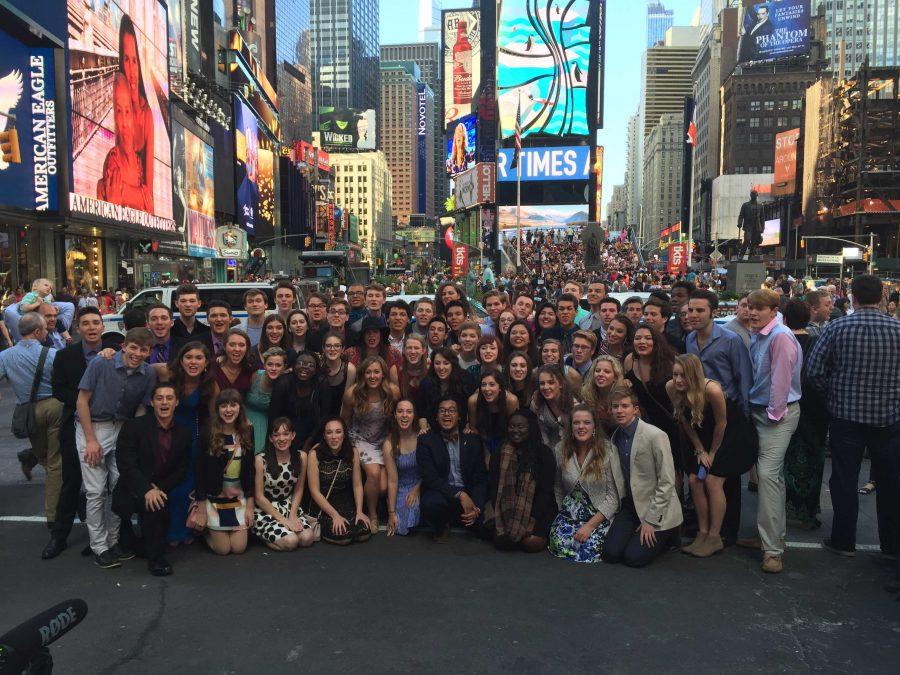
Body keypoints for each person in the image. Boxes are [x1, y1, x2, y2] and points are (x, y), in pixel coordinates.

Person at [806, 275, 900, 579]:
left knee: (844, 479)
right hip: (889, 419)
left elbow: (814, 371)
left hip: (846, 417)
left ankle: (843, 540)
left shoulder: (837, 327)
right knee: (890, 483)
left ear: (852, 297)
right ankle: (891, 547)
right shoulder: (897, 329)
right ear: (883, 296)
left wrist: (834, 396)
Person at [76, 327, 157, 568]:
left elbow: (142, 409)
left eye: (143, 349)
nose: (137, 353)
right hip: (94, 425)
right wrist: (90, 440)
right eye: (133, 347)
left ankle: (113, 541)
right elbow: (82, 401)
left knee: (120, 487)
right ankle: (99, 546)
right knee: (95, 490)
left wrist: (134, 438)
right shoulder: (102, 364)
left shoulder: (148, 374)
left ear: (149, 352)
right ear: (124, 346)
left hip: (123, 427)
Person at [742, 288, 802, 574]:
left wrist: (773, 415)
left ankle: (773, 551)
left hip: (775, 414)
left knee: (767, 476)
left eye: (759, 308)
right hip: (759, 411)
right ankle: (771, 538)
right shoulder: (760, 333)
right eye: (751, 307)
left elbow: (781, 380)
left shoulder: (780, 336)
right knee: (770, 479)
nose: (753, 312)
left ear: (774, 310)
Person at [44, 308, 111, 559]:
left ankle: (104, 537)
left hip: (109, 426)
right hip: (75, 424)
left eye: (96, 322)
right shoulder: (65, 356)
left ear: (103, 326)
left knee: (108, 485)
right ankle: (59, 537)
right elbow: (59, 390)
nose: (91, 327)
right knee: (71, 481)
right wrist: (87, 403)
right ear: (78, 328)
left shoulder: (114, 351)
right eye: (86, 323)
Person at [667, 355, 749, 557]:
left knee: (712, 481)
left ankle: (714, 537)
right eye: (675, 374)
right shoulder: (671, 388)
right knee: (695, 480)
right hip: (701, 434)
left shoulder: (712, 390)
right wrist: (699, 449)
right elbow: (684, 421)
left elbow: (722, 424)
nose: (678, 380)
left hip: (730, 435)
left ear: (694, 376)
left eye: (683, 376)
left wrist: (712, 453)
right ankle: (702, 533)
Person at [0, 313, 64, 556]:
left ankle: (33, 459)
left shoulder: (6, 356)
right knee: (55, 463)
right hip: (54, 407)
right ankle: (54, 514)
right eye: (44, 329)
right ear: (38, 332)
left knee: (46, 456)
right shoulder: (52, 354)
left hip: (28, 412)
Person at [112, 383, 190, 576]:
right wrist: (146, 488)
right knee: (145, 509)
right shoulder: (133, 427)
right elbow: (125, 463)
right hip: (133, 488)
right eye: (159, 398)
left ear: (177, 402)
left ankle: (154, 556)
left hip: (160, 488)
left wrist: (158, 488)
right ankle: (146, 551)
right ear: (151, 402)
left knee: (156, 506)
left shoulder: (184, 433)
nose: (164, 402)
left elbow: (181, 469)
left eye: (169, 398)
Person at [602, 385, 683, 567]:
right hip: (631, 506)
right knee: (610, 554)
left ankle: (670, 534)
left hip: (655, 507)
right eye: (615, 407)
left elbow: (667, 482)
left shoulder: (656, 436)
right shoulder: (616, 437)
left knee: (634, 558)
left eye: (625, 406)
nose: (619, 411)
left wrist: (651, 520)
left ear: (635, 409)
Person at [549, 404, 622, 562]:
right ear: (571, 427)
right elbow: (557, 486)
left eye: (587, 422)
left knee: (589, 551)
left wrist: (590, 526)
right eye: (576, 423)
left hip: (598, 514)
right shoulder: (560, 449)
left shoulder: (608, 450)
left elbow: (614, 497)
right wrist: (562, 511)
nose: (581, 427)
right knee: (560, 545)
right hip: (569, 514)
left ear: (594, 426)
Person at [781, 300, 829, 530]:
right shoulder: (816, 341)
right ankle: (808, 512)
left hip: (784, 408)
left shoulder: (779, 340)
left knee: (781, 462)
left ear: (784, 318)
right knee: (812, 462)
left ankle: (781, 509)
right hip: (814, 411)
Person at [193, 389, 256, 555]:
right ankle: (204, 532)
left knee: (239, 548)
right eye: (224, 406)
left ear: (240, 408)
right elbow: (199, 471)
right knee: (223, 549)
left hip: (238, 498)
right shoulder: (207, 433)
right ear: (217, 409)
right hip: (214, 498)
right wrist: (200, 510)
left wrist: (250, 506)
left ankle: (220, 529)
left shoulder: (248, 431)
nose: (228, 410)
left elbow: (250, 470)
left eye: (233, 405)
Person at [416, 396, 488, 542]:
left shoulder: (473, 440)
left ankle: (469, 518)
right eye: (442, 411)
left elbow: (480, 478)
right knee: (431, 504)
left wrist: (477, 507)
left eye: (451, 411)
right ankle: (442, 525)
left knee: (487, 530)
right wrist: (459, 494)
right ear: (436, 417)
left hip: (469, 492)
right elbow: (431, 479)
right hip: (443, 492)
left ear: (460, 417)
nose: (447, 414)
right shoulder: (426, 441)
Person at [483, 410, 556, 553]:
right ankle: (513, 531)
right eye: (512, 426)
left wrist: (532, 520)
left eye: (521, 427)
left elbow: (545, 492)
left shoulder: (543, 453)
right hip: (506, 508)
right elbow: (494, 486)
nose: (515, 431)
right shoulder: (500, 452)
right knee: (503, 543)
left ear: (531, 428)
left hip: (539, 509)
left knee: (530, 543)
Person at [341, 355, 399, 531]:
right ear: (362, 375)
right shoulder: (353, 393)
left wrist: (391, 438)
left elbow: (395, 419)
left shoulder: (392, 391)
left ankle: (375, 506)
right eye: (368, 372)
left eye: (376, 372)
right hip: (360, 438)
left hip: (383, 438)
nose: (372, 376)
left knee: (382, 487)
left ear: (383, 374)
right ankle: (372, 515)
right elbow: (344, 420)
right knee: (373, 474)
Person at [166, 341, 214, 546]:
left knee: (187, 486)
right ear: (181, 360)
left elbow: (214, 416)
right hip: (167, 437)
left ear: (206, 363)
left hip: (193, 439)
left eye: (199, 358)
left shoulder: (209, 383)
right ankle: (168, 531)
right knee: (170, 486)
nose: (193, 362)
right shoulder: (167, 375)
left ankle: (186, 530)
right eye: (189, 357)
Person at [252, 417, 316, 551]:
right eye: (276, 435)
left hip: (289, 506)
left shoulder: (301, 457)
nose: (281, 439)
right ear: (270, 438)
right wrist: (283, 520)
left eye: (286, 434)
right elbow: (259, 497)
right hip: (266, 510)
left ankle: (283, 532)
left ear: (293, 435)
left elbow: (299, 489)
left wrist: (292, 515)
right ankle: (260, 534)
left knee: (307, 538)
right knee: (291, 541)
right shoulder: (260, 460)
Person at [307, 417, 371, 544]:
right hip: (324, 504)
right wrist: (334, 515)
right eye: (329, 432)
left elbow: (357, 485)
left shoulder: (353, 452)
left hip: (346, 502)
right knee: (344, 536)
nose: (334, 436)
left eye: (338, 431)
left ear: (344, 434)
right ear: (324, 436)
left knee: (362, 532)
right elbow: (314, 491)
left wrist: (359, 511)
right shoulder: (315, 454)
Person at [269, 350, 332, 451]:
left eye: (310, 365)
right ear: (293, 366)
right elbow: (274, 416)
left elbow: (325, 417)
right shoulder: (283, 383)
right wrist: (282, 439)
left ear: (316, 370)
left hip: (314, 434)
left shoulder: (322, 383)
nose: (305, 367)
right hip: (285, 433)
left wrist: (310, 441)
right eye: (300, 363)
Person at [383, 399, 421, 536]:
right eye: (400, 411)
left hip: (422, 484)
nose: (404, 415)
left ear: (414, 415)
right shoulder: (389, 443)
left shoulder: (422, 436)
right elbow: (393, 480)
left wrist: (417, 489)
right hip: (401, 487)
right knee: (399, 525)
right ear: (395, 415)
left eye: (409, 412)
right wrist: (391, 512)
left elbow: (430, 471)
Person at [416, 346, 474, 431]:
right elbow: (421, 412)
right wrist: (424, 430)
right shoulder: (426, 383)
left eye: (446, 363)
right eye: (437, 363)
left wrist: (469, 424)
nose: (441, 368)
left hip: (461, 428)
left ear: (452, 364)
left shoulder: (465, 379)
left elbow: (472, 405)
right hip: (434, 430)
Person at [467, 370, 519, 460]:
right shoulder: (473, 401)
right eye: (483, 385)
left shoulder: (511, 400)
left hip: (505, 437)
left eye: (492, 384)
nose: (487, 389)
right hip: (482, 438)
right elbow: (474, 429)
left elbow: (514, 428)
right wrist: (486, 453)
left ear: (500, 388)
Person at [245, 347, 287, 454]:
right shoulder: (254, 376)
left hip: (266, 425)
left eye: (278, 365)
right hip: (245, 420)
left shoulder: (285, 384)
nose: (273, 368)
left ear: (284, 367)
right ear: (264, 365)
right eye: (270, 364)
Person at [531, 365, 577, 449]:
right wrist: (546, 451)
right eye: (542, 383)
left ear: (561, 384)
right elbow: (541, 430)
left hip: (572, 446)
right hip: (550, 445)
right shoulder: (537, 402)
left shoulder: (573, 405)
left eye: (551, 382)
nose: (545, 387)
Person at [344, 317, 401, 385]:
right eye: (368, 332)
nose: (371, 335)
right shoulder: (350, 353)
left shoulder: (393, 353)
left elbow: (396, 386)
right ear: (363, 335)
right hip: (358, 392)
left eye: (375, 332)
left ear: (381, 334)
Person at [581, 356, 627, 436]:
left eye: (607, 371)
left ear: (615, 377)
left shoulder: (624, 397)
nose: (600, 374)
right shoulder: (587, 396)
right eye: (597, 371)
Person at [321, 332, 356, 417]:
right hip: (319, 415)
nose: (332, 349)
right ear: (323, 348)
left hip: (340, 415)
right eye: (328, 346)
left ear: (343, 349)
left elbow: (346, 402)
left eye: (337, 346)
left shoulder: (350, 369)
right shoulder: (317, 366)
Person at [212, 329, 254, 399]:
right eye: (232, 345)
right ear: (224, 347)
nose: (237, 349)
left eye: (241, 345)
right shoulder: (214, 366)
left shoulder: (251, 368)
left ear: (247, 348)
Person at [398, 333, 428, 401]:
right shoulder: (397, 371)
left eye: (416, 348)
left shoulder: (430, 370)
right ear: (403, 350)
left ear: (423, 350)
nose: (413, 351)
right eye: (409, 348)